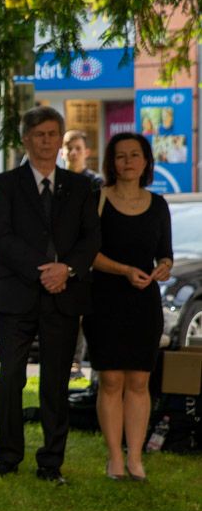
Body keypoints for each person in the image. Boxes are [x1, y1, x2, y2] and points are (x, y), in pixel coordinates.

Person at [0, 106, 100, 485]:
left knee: (56, 381)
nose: (46, 141)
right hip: (16, 294)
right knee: (10, 378)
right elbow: (0, 236)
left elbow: (91, 239)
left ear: (60, 139)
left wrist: (66, 269)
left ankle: (51, 461)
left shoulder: (81, 187)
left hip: (64, 295)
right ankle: (8, 456)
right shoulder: (5, 184)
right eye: (39, 134)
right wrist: (43, 270)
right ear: (26, 140)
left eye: (52, 134)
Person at [82, 133, 173, 482]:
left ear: (146, 161)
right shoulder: (97, 199)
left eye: (135, 155)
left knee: (139, 380)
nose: (128, 161)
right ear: (112, 162)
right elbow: (87, 253)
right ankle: (114, 458)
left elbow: (165, 253)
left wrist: (163, 267)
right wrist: (123, 270)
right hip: (105, 299)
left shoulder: (158, 204)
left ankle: (135, 458)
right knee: (110, 380)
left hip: (144, 301)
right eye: (121, 156)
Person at [60, 129, 103, 379]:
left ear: (87, 152)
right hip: (63, 260)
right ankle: (70, 363)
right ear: (62, 151)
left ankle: (86, 364)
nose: (74, 153)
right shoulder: (57, 181)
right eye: (69, 148)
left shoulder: (96, 183)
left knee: (87, 315)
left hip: (89, 261)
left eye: (78, 148)